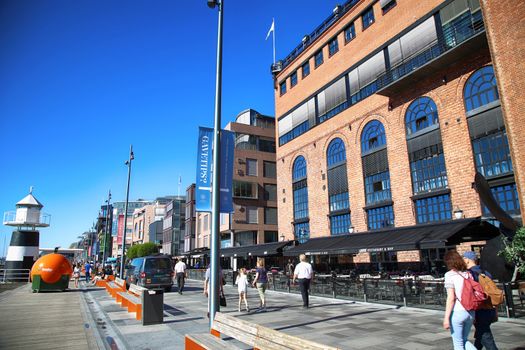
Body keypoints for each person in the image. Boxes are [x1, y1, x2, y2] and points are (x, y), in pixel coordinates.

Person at [463, 251, 499, 350]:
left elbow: (470, 294)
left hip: (479, 309)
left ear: (467, 260)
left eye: (463, 258)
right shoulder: (486, 273)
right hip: (490, 308)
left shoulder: (469, 274)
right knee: (481, 334)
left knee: (486, 337)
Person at [443, 250, 476, 350]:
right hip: (470, 311)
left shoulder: (449, 275)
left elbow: (451, 298)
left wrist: (446, 318)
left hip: (458, 311)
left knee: (458, 344)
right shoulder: (467, 274)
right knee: (464, 339)